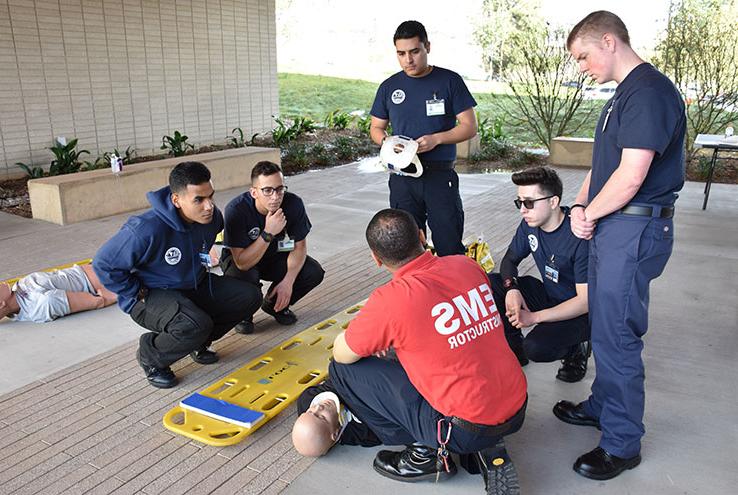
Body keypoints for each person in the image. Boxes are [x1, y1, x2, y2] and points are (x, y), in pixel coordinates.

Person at [553, 11, 686, 480]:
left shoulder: (649, 92)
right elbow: (605, 167)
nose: (582, 66)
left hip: (634, 230)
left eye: (583, 56)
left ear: (609, 42)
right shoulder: (622, 96)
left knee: (618, 337)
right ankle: (603, 404)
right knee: (604, 325)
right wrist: (580, 205)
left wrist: (590, 214)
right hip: (615, 225)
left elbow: (631, 177)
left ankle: (622, 443)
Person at [329, 208, 527, 494]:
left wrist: (373, 336)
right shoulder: (466, 265)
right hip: (517, 404)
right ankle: (482, 444)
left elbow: (342, 353)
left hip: (462, 426)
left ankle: (425, 452)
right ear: (422, 236)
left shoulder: (390, 300)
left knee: (342, 371)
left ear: (375, 258)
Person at [93, 162, 261, 389]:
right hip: (150, 296)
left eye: (210, 196)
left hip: (193, 284)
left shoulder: (212, 220)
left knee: (249, 296)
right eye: (198, 200)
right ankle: (151, 356)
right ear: (176, 200)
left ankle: (198, 342)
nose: (209, 206)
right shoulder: (146, 229)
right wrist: (134, 291)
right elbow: (104, 264)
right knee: (194, 324)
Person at [370, 20, 477, 256]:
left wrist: (437, 139)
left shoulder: (449, 81)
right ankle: (417, 292)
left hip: (439, 176)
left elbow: (469, 127)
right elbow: (376, 128)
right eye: (401, 53)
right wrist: (388, 143)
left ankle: (450, 290)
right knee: (406, 249)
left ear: (427, 46)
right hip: (402, 177)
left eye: (414, 51)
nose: (408, 60)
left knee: (449, 244)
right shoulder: (389, 87)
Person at [489, 166, 591, 382]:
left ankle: (576, 349)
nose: (522, 210)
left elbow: (585, 302)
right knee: (490, 284)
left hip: (581, 313)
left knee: (536, 348)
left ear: (553, 202)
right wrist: (512, 289)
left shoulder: (578, 235)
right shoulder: (530, 224)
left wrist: (534, 317)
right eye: (519, 202)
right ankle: (514, 346)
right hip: (550, 295)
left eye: (528, 203)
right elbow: (509, 260)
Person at [220, 161, 324, 334]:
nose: (275, 196)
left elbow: (299, 247)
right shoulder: (236, 210)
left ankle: (274, 304)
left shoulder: (293, 204)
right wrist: (268, 232)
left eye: (280, 189)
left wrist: (288, 282)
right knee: (245, 276)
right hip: (243, 261)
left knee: (312, 272)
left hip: (274, 256)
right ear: (254, 192)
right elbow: (242, 263)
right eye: (267, 190)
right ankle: (244, 313)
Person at [292, 379, 381, 457]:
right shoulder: (363, 433)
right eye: (321, 417)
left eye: (310, 411)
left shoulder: (307, 399)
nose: (318, 407)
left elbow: (337, 380)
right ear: (335, 434)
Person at [0, 263, 117, 323]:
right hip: (110, 275)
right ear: (1, 304)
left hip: (101, 265)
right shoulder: (41, 305)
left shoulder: (18, 288)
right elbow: (98, 301)